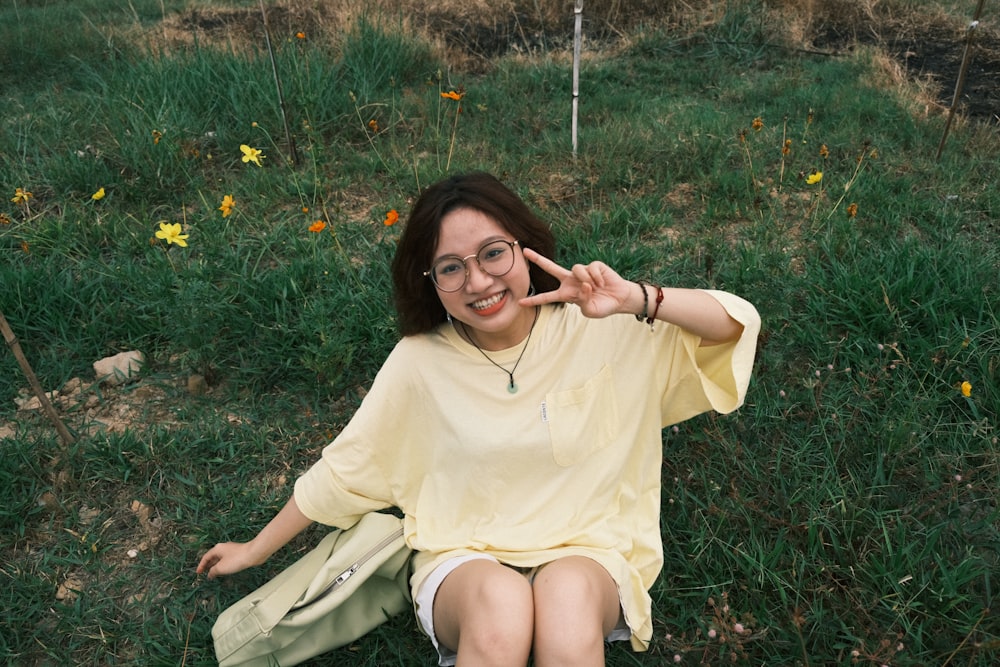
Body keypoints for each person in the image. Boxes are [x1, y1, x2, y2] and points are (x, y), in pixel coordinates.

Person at [197, 172, 760, 666]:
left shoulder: (601, 325)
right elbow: (346, 468)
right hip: (464, 556)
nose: (479, 282)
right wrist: (255, 549)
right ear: (431, 283)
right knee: (502, 613)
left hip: (590, 547)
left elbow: (735, 325)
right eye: (450, 268)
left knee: (565, 616)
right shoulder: (420, 363)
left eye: (493, 253)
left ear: (525, 249)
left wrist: (636, 297)